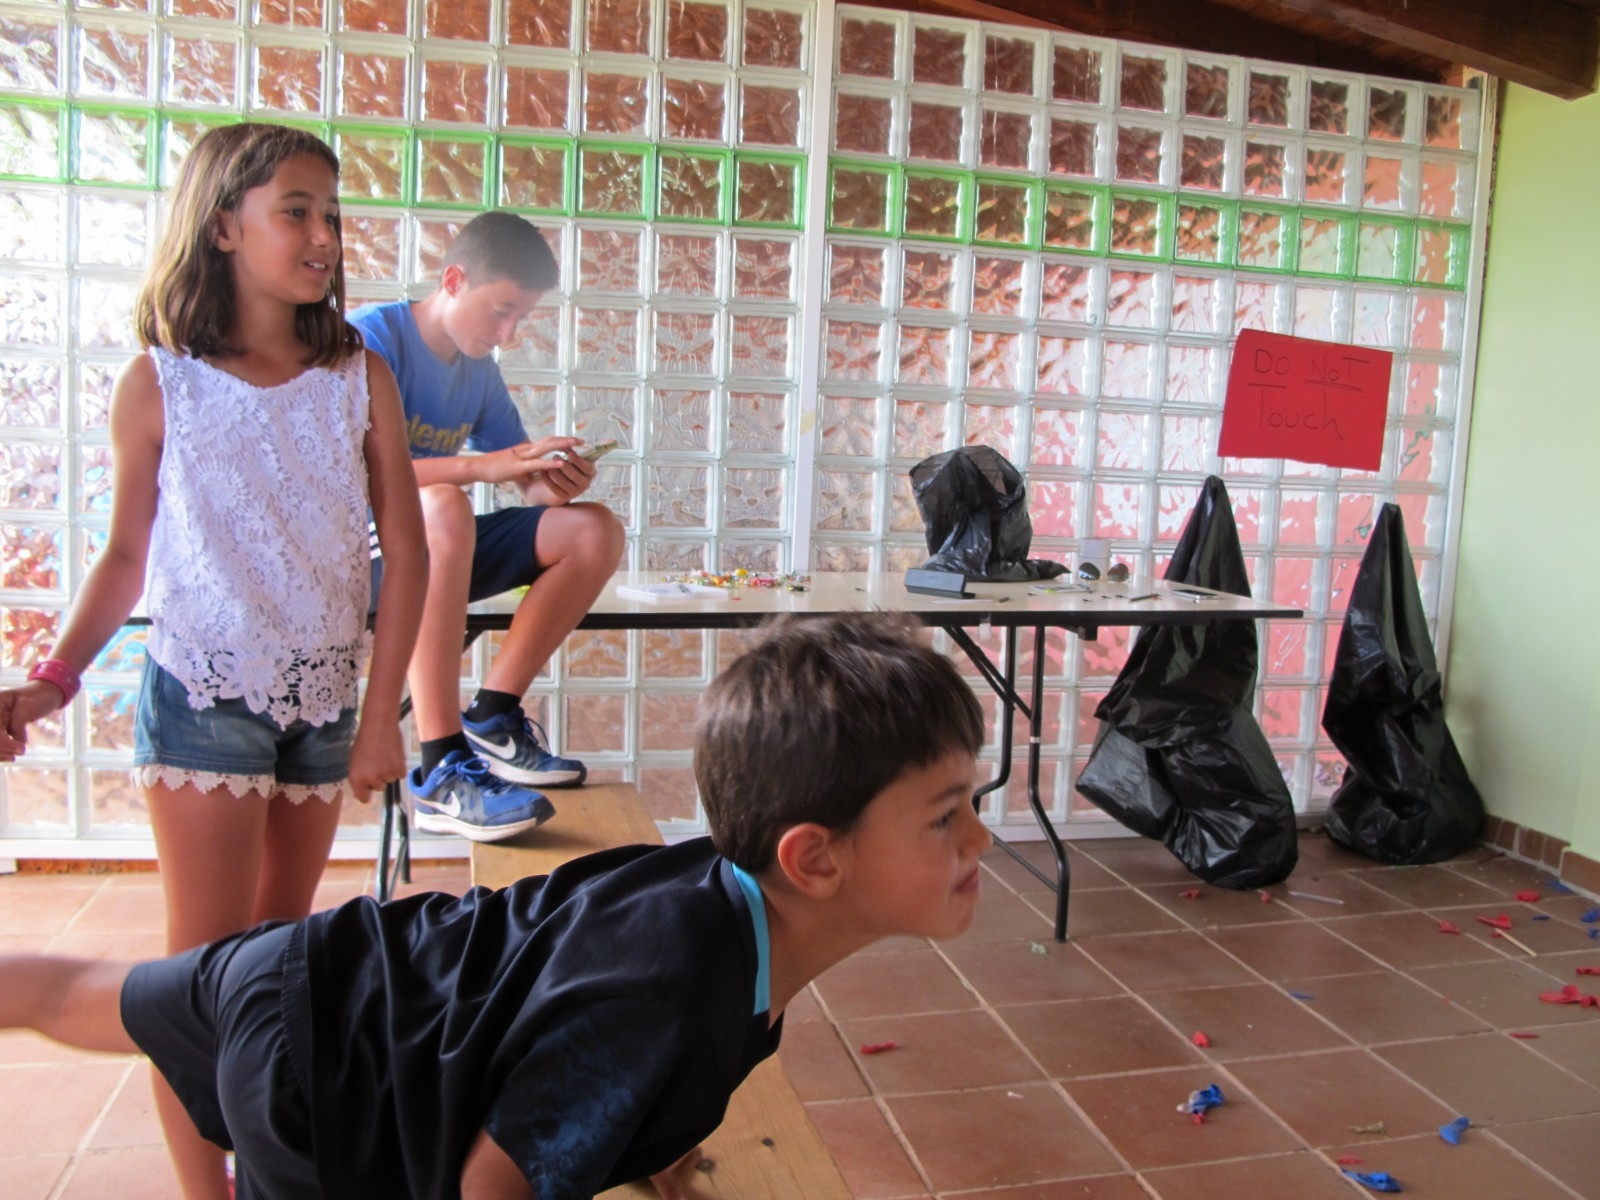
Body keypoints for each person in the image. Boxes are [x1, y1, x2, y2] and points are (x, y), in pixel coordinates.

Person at [0, 612, 991, 1200]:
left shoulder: (726, 904)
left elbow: (627, 1049)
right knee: (75, 1000)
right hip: (324, 1070)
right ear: (812, 858)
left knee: (68, 996)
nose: (980, 841)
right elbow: (493, 1186)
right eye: (946, 816)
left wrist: (646, 1139)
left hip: (327, 968)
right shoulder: (676, 990)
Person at [0, 123, 428, 1200]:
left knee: (278, 970)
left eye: (333, 214)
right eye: (298, 211)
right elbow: (126, 556)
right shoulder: (161, 384)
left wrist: (383, 715)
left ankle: (265, 1171)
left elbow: (409, 549)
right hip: (204, 695)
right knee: (197, 982)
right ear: (225, 224)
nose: (326, 235)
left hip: (325, 699)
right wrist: (53, 678)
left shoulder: (359, 375)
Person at [350, 212, 626, 844]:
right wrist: (482, 466)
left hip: (436, 554)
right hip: (359, 559)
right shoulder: (370, 341)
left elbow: (522, 479)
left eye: (521, 318)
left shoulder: (476, 369)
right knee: (445, 505)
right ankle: (439, 767)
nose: (508, 334)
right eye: (502, 311)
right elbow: (355, 473)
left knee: (594, 531)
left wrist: (553, 480)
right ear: (453, 280)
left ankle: (493, 717)